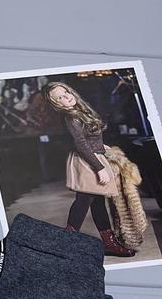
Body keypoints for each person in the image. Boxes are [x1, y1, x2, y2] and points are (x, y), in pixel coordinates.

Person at [42, 80, 135, 258]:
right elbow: (81, 144)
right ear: (56, 103)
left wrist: (102, 147)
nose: (66, 97)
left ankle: (108, 243)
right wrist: (99, 168)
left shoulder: (79, 111)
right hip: (87, 162)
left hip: (92, 157)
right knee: (84, 201)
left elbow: (88, 139)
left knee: (97, 202)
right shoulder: (70, 116)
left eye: (66, 92)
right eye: (60, 97)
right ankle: (66, 246)